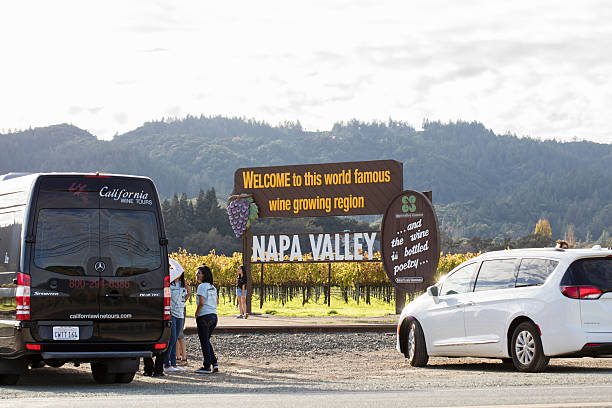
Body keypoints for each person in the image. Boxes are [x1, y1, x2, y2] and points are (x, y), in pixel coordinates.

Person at [164, 258, 190, 372]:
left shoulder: (183, 284)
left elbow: (183, 298)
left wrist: (188, 294)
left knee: (175, 339)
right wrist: (168, 258)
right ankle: (167, 363)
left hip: (180, 314)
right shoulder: (169, 282)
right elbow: (179, 268)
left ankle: (174, 364)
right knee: (172, 338)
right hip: (172, 314)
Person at [195, 264, 219, 374]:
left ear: (204, 275)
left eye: (199, 273)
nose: (197, 274)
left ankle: (206, 366)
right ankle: (214, 363)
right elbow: (217, 302)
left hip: (204, 316)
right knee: (206, 341)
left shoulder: (201, 287)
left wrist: (196, 313)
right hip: (213, 316)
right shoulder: (213, 287)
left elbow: (201, 303)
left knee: (204, 342)